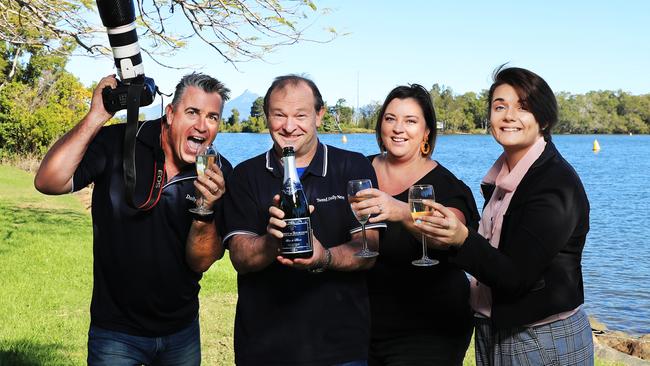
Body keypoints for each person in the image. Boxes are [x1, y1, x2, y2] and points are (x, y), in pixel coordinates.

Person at [34, 72, 232, 365]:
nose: (202, 126)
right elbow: (48, 181)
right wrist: (96, 117)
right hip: (115, 332)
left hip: (181, 330)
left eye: (212, 117)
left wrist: (205, 208)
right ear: (170, 114)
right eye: (192, 112)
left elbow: (200, 262)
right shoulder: (120, 140)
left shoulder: (218, 173)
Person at [420, 66, 594, 365]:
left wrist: (461, 238)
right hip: (497, 328)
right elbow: (493, 252)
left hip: (541, 337)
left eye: (523, 107)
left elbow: (515, 276)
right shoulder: (507, 177)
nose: (509, 115)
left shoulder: (554, 184)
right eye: (500, 106)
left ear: (544, 118)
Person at [223, 74, 385, 366]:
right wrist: (272, 241)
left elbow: (369, 249)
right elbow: (239, 258)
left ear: (319, 116)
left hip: (341, 349)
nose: (288, 126)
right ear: (266, 117)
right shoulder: (245, 175)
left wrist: (325, 258)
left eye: (300, 115)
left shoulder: (353, 166)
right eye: (279, 115)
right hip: (263, 349)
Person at [348, 84, 480, 365]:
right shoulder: (357, 170)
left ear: (426, 132)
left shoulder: (447, 185)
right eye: (391, 118)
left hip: (428, 328)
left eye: (410, 121)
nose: (398, 128)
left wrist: (399, 210)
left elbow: (448, 232)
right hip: (360, 322)